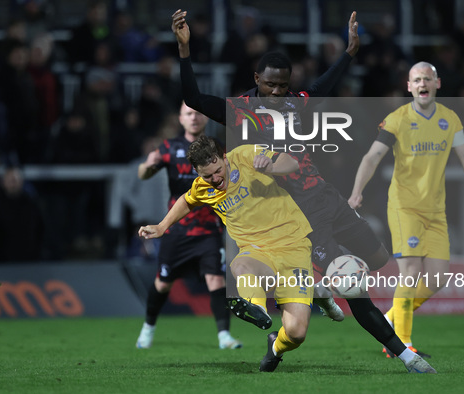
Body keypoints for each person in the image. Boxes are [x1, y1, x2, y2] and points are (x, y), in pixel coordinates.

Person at [171, 9, 436, 373]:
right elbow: (194, 97)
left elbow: (325, 86)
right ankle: (407, 357)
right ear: (256, 79)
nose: (277, 93)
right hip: (300, 214)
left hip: (327, 197)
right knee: (353, 285)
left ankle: (318, 285)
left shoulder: (296, 102)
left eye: (283, 85)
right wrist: (184, 51)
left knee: (377, 260)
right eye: (270, 85)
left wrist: (349, 53)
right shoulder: (240, 112)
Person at [348, 62, 464, 357]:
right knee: (410, 272)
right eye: (417, 79)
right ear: (409, 86)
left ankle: (391, 318)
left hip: (436, 211)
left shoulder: (450, 119)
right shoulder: (397, 119)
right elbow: (372, 156)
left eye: (427, 78)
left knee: (437, 278)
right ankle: (403, 344)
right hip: (404, 207)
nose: (422, 83)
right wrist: (357, 191)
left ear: (437, 83)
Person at [139, 136, 316, 372]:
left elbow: (291, 163)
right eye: (207, 176)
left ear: (223, 157)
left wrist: (271, 166)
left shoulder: (245, 155)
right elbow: (187, 200)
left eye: (217, 171)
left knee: (296, 332)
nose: (215, 179)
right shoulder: (203, 185)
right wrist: (162, 226)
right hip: (257, 250)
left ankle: (275, 346)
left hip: (294, 245)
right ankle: (257, 309)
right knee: (240, 266)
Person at [135, 103, 241, 350]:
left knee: (216, 279)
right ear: (180, 119)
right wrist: (147, 165)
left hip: (209, 229)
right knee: (163, 282)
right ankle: (148, 328)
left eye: (198, 112)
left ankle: (224, 336)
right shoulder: (168, 148)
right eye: (189, 113)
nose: (194, 117)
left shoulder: (218, 147)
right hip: (177, 228)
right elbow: (143, 175)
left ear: (206, 117)